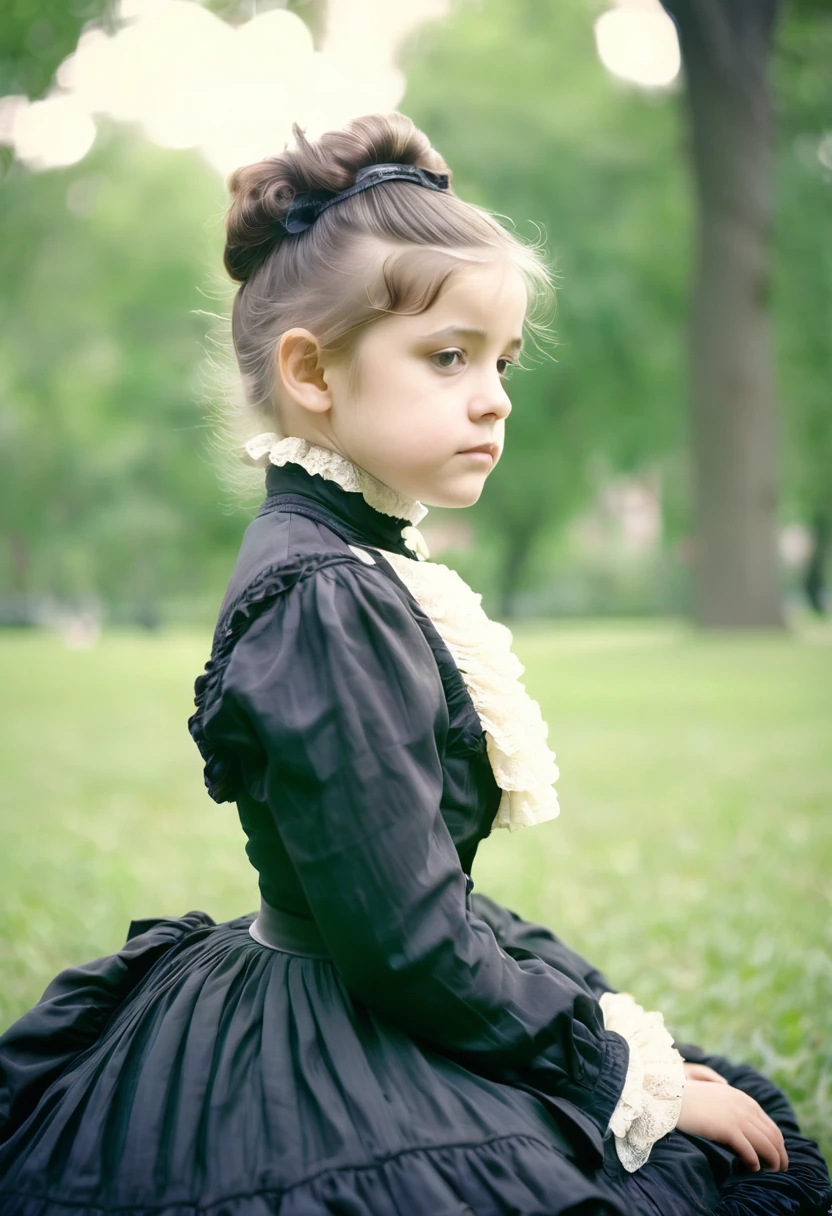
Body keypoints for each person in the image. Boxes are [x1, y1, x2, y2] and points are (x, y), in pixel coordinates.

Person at [0, 112, 829, 1216]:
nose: (493, 397)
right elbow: (404, 946)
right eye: (447, 358)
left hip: (382, 976)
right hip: (342, 1025)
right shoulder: (326, 598)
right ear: (311, 372)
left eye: (500, 360)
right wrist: (626, 1079)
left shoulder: (353, 559)